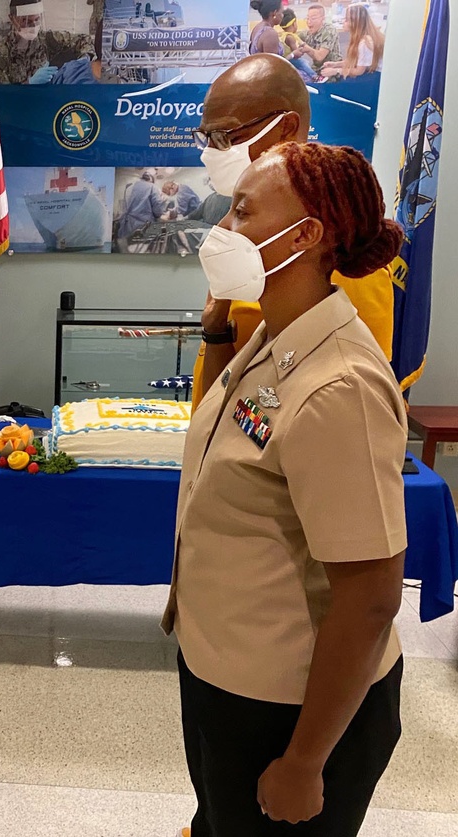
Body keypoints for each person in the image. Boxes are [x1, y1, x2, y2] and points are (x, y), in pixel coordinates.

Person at [167, 141, 406, 836]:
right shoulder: (277, 335)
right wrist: (216, 328)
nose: (224, 225)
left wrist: (305, 761)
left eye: (242, 209)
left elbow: (370, 598)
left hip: (291, 710)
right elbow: (226, 441)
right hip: (227, 673)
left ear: (305, 235)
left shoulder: (341, 386)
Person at [189, 53, 394, 409]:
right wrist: (215, 328)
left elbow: (348, 402)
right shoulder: (247, 234)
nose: (211, 152)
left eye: (225, 136)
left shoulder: (336, 244)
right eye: (205, 137)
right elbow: (224, 396)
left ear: (284, 129)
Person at [0, 0, 97, 85]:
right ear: (12, 18)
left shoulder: (47, 39)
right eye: (26, 21)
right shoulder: (1, 54)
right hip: (19, 107)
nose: (32, 26)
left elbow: (84, 39)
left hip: (46, 104)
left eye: (36, 19)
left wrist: (84, 59)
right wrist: (28, 83)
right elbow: (1, 94)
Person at [321, 3, 385, 79]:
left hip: (374, 78)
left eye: (346, 20)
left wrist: (336, 71)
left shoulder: (364, 43)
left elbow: (359, 71)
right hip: (370, 74)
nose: (343, 22)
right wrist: (335, 64)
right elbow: (355, 61)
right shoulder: (361, 38)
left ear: (355, 23)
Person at [118, 169, 169, 242]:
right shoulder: (152, 187)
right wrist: (163, 201)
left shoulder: (129, 187)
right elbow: (158, 211)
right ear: (151, 180)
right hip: (143, 228)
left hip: (126, 227)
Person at [293, 3, 342, 74]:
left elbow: (320, 57)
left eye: (313, 18)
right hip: (316, 69)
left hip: (332, 70)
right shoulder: (307, 33)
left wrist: (306, 48)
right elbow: (294, 37)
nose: (309, 22)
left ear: (323, 19)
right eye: (307, 18)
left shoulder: (329, 31)